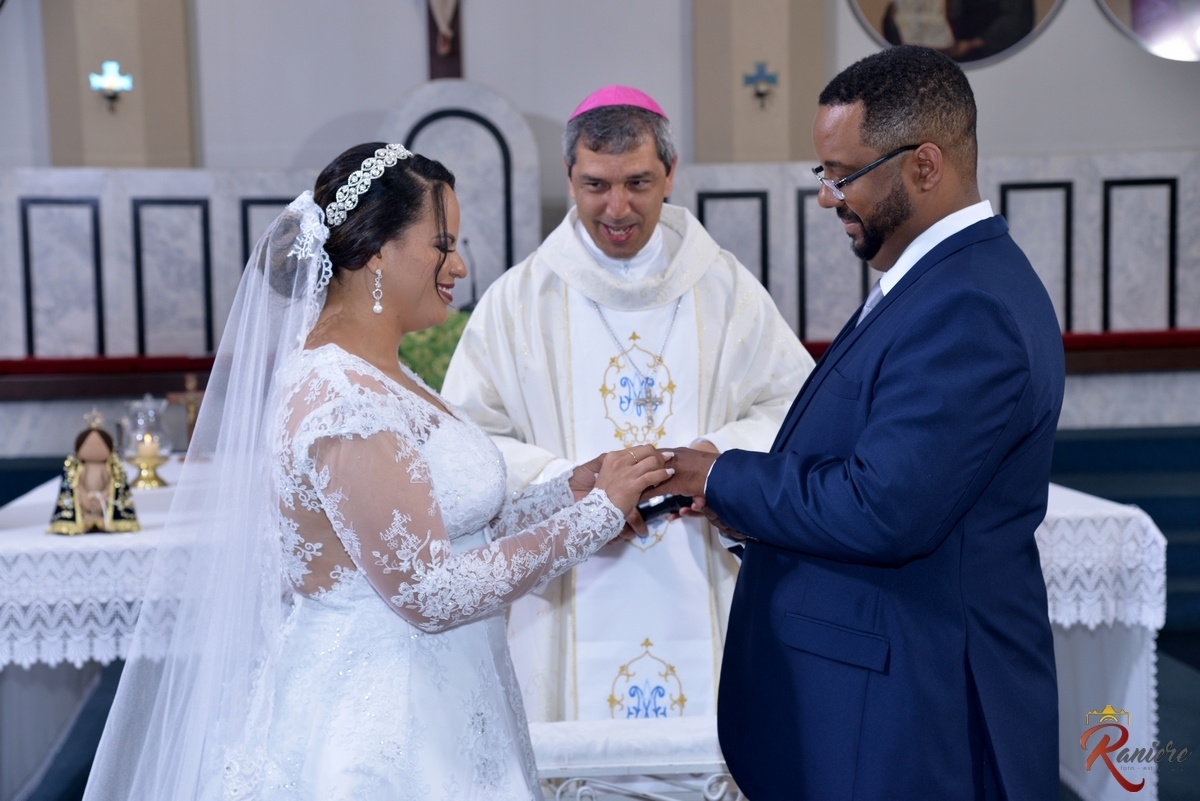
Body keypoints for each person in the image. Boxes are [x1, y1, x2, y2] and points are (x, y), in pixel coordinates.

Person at [82, 143, 673, 800]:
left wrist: (575, 489)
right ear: (374, 251)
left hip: (451, 705)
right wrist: (593, 519)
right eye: (441, 244)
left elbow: (460, 524)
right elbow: (427, 590)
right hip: (385, 732)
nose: (460, 265)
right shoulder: (341, 399)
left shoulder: (384, 374)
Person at [651, 47, 1064, 800]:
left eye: (841, 175)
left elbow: (885, 508)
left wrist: (722, 475)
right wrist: (735, 492)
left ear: (924, 166)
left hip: (912, 710)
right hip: (886, 690)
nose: (826, 196)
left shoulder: (966, 305)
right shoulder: (934, 280)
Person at [441, 86, 813, 723]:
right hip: (567, 577)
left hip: (704, 562)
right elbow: (465, 445)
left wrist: (716, 460)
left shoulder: (726, 289)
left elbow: (798, 404)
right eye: (595, 185)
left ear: (670, 173)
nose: (617, 207)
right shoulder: (518, 301)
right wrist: (582, 489)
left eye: (638, 182)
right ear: (569, 177)